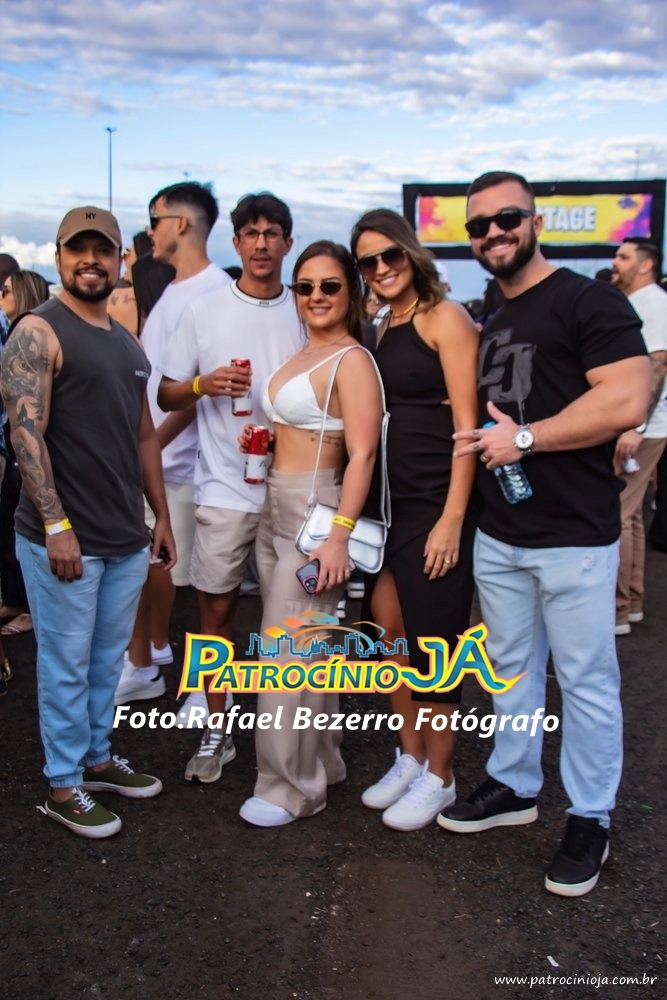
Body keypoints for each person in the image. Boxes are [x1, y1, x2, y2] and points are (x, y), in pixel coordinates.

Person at [437, 171, 650, 898]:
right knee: (511, 670)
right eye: (478, 226)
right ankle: (514, 783)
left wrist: (525, 438)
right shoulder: (493, 313)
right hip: (502, 533)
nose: (493, 233)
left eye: (506, 218)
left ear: (534, 221)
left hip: (573, 535)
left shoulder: (588, 299)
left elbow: (628, 397)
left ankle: (590, 816)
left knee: (586, 681)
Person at [0, 206, 176, 838]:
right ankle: (63, 784)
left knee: (105, 662)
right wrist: (56, 526)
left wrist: (160, 515)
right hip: (65, 537)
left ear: (120, 259)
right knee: (66, 664)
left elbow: (144, 435)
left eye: (103, 250)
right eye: (79, 250)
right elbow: (25, 433)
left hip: (124, 535)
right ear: (58, 258)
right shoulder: (38, 331)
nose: (91, 261)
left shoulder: (127, 344)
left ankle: (96, 758)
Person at [236, 240, 384, 827]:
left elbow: (364, 453)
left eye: (329, 286)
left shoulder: (352, 360)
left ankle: (289, 789)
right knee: (310, 646)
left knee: (286, 651)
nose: (316, 296)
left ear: (351, 292)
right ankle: (320, 761)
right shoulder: (303, 352)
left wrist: (340, 535)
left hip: (318, 511)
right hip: (276, 504)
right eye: (305, 287)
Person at [158, 192, 303, 783]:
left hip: (294, 486)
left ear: (287, 243)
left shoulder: (307, 306)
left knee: (291, 621)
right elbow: (166, 392)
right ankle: (218, 730)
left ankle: (290, 737)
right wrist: (203, 385)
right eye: (251, 233)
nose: (262, 243)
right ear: (237, 242)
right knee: (214, 612)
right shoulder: (204, 311)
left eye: (272, 233)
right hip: (223, 486)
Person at [350, 209, 479, 832]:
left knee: (435, 646)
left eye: (389, 255)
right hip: (389, 509)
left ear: (410, 252)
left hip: (433, 504)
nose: (380, 269)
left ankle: (442, 776)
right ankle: (411, 756)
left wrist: (452, 517)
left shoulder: (444, 317)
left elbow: (467, 427)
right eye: (368, 262)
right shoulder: (381, 323)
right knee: (391, 634)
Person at [115, 182, 231, 706]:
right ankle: (142, 665)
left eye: (154, 220)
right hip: (154, 459)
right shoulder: (174, 291)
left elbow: (208, 389)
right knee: (140, 572)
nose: (149, 232)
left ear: (180, 224)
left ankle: (208, 694)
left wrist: (151, 447)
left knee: (208, 590)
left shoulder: (214, 292)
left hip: (185, 466)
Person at [610, 237, 667, 634]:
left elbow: (657, 367)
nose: (615, 262)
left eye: (623, 257)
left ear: (645, 265)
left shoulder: (654, 304)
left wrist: (635, 426)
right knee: (630, 515)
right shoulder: (640, 302)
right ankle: (630, 603)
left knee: (618, 513)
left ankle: (617, 610)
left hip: (643, 428)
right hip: (644, 426)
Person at [0, 270, 50, 639]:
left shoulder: (33, 338)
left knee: (28, 528)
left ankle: (32, 609)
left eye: (6, 291)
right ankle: (20, 601)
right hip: (13, 446)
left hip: (25, 452)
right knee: (11, 529)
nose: (1, 296)